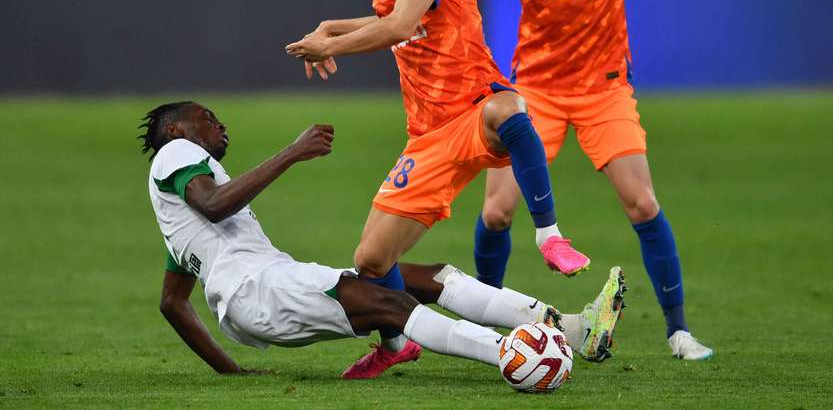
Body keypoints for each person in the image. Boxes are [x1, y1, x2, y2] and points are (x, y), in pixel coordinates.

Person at [400, 0, 803, 360]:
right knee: (497, 212)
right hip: (534, 91)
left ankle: (678, 332)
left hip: (604, 89)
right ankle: (494, 323)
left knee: (642, 202)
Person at [284, 0, 620, 377]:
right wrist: (334, 25)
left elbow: (398, 25)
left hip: (473, 112)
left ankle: (549, 235)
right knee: (372, 261)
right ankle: (562, 329)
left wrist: (328, 44)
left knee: (509, 108)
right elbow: (396, 18)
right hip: (426, 140)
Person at [140, 101, 625, 379]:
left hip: (261, 294)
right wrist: (291, 152)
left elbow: (171, 302)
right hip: (260, 290)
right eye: (207, 117)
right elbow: (213, 204)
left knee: (419, 277)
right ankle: (515, 355)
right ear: (177, 130)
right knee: (392, 302)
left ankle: (575, 329)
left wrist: (233, 373)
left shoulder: (183, 232)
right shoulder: (176, 153)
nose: (220, 124)